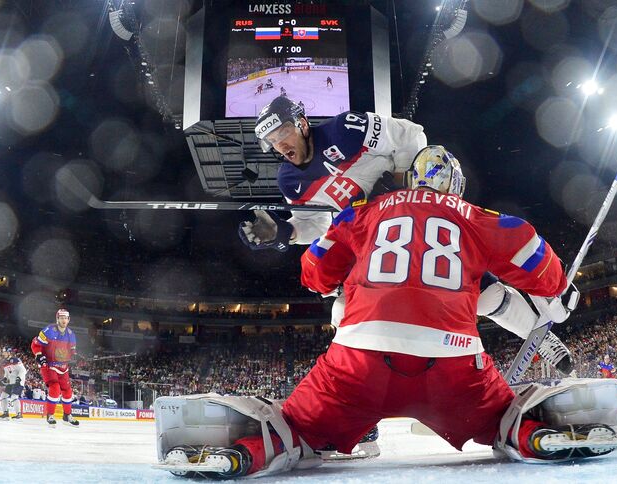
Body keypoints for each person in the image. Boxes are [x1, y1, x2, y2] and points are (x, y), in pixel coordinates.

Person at [158, 147, 617, 479]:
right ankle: (532, 432)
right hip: (452, 363)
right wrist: (560, 290)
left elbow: (314, 272)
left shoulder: (366, 211)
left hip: (358, 360)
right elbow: (529, 249)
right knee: (502, 418)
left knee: (295, 428)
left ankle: (250, 447)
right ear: (454, 186)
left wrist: (337, 276)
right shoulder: (475, 216)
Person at [239, 97, 574, 375]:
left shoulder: (346, 128)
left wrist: (400, 178)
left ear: (301, 123)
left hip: (409, 213)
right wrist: (286, 231)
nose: (279, 144)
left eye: (283, 131)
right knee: (343, 312)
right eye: (271, 140)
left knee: (478, 290)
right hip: (368, 238)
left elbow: (412, 135)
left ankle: (539, 335)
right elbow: (318, 225)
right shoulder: (288, 181)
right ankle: (357, 395)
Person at [30, 308, 80, 426]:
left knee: (68, 392)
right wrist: (39, 355)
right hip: (49, 365)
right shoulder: (49, 331)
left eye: (65, 318)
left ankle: (67, 415)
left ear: (68, 320)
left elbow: (72, 351)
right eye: (61, 317)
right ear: (57, 319)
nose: (63, 320)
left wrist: (75, 357)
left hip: (63, 367)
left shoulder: (71, 334)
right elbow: (35, 344)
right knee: (55, 388)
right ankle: (50, 415)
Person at [0, 347, 27, 420]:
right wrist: (4, 379)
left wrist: (19, 378)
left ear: (9, 352)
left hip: (18, 382)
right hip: (11, 382)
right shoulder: (4, 362)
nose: (3, 353)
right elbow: (7, 374)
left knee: (14, 397)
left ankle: (19, 415)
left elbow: (23, 370)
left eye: (4, 352)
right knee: (3, 396)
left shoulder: (15, 360)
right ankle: (5, 413)